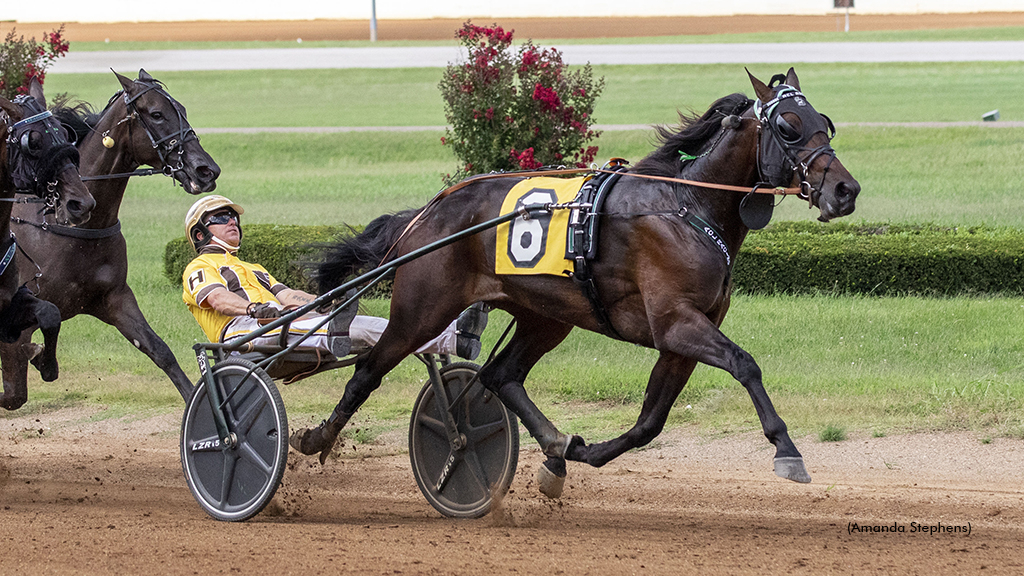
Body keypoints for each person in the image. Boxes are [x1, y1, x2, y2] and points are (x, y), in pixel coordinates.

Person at [181, 195, 487, 359]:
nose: (232, 221)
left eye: (233, 216)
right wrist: (253, 309)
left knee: (357, 324)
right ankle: (451, 339)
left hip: (278, 322)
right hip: (241, 332)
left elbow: (287, 296)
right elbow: (217, 298)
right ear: (199, 233)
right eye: (220, 218)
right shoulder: (198, 267)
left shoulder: (254, 268)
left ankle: (453, 334)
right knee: (351, 328)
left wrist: (325, 302)